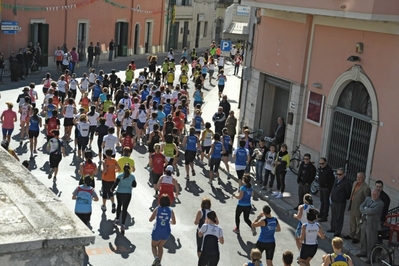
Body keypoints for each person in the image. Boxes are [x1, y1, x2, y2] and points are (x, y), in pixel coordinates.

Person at [356, 189, 384, 263]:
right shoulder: (367, 199)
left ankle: (370, 257)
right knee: (363, 238)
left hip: (372, 224)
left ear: (378, 195)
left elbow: (372, 211)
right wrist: (366, 209)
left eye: (376, 194)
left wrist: (365, 209)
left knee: (371, 241)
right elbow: (361, 207)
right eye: (373, 194)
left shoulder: (380, 203)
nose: (374, 196)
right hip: (364, 222)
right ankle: (363, 252)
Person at [149, 194, 176, 266]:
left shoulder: (157, 209)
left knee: (153, 246)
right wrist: (170, 222)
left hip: (157, 230)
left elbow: (150, 219)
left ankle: (156, 258)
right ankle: (159, 263)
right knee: (160, 246)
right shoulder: (170, 210)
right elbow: (174, 222)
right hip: (166, 232)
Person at [344, 172, 370, 244]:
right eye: (357, 177)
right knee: (352, 221)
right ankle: (351, 234)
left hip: (359, 207)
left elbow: (366, 199)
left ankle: (357, 237)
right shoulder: (355, 183)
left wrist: (364, 209)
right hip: (353, 205)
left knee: (358, 223)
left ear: (364, 178)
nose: (358, 179)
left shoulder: (366, 187)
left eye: (360, 177)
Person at [111, 163, 137, 234]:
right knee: (125, 209)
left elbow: (115, 183)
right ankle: (122, 224)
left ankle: (117, 219)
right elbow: (134, 185)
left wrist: (112, 189)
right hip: (128, 193)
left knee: (119, 205)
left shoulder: (120, 175)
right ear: (129, 169)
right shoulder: (132, 176)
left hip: (119, 192)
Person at [327, 168, 351, 237]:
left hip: (340, 202)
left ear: (344, 174)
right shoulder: (336, 180)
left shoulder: (345, 183)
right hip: (334, 201)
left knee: (339, 217)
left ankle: (338, 231)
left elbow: (348, 194)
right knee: (334, 216)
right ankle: (333, 228)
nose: (338, 176)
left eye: (340, 174)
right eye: (337, 174)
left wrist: (341, 198)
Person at [317, 157, 335, 222]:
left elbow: (332, 180)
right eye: (320, 163)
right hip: (321, 187)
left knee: (326, 202)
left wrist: (328, 188)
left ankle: (325, 215)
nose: (321, 165)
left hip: (326, 188)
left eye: (322, 163)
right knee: (322, 201)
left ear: (325, 163)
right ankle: (321, 213)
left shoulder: (329, 170)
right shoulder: (320, 169)